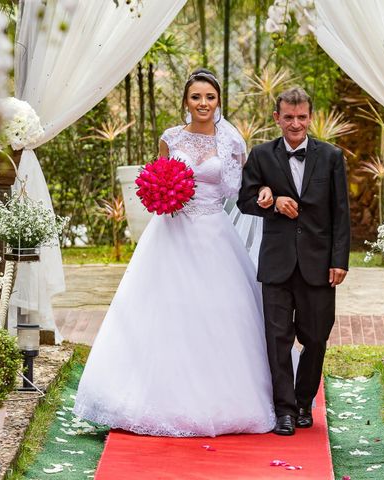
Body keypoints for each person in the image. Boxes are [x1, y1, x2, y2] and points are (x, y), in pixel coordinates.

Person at [73, 68, 276, 437]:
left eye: (210, 97)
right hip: (171, 232)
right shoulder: (170, 137)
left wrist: (264, 191)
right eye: (196, 97)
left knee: (222, 311)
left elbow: (243, 187)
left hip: (214, 234)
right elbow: (158, 176)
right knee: (160, 309)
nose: (203, 104)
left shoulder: (232, 141)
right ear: (186, 101)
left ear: (218, 102)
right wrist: (161, 196)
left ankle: (227, 398)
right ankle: (148, 397)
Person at [237, 87, 351, 436]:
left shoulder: (331, 156)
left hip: (319, 263)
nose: (295, 123)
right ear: (277, 118)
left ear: (310, 117)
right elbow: (245, 200)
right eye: (288, 117)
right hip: (277, 262)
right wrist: (267, 201)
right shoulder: (260, 155)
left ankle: (304, 402)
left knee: (315, 337)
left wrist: (340, 260)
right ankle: (284, 409)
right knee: (278, 338)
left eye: (301, 117)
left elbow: (340, 212)